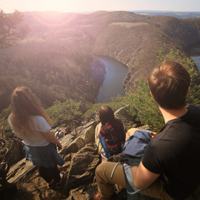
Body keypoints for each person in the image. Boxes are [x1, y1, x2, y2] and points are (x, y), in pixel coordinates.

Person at [94, 60, 200, 200]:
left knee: (101, 171)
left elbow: (139, 182)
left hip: (177, 192)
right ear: (186, 91)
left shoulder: (160, 146)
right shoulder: (196, 111)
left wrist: (128, 169)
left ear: (152, 95)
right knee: (132, 131)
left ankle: (107, 196)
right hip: (190, 174)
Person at [8, 86, 65, 189]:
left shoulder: (12, 119)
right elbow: (49, 136)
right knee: (51, 166)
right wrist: (58, 143)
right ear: (30, 101)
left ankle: (50, 182)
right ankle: (59, 181)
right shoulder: (37, 120)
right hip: (45, 148)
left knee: (40, 167)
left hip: (30, 148)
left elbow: (17, 134)